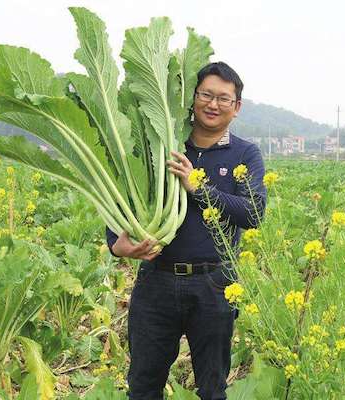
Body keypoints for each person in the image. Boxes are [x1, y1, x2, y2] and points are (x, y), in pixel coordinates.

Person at [106, 61, 267, 400]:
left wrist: (197, 185)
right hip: (156, 281)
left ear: (236, 107)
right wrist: (117, 246)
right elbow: (125, 199)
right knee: (143, 384)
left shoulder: (245, 153)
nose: (213, 104)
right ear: (192, 98)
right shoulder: (163, 144)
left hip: (214, 282)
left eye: (223, 98)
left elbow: (252, 212)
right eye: (206, 95)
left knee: (212, 386)